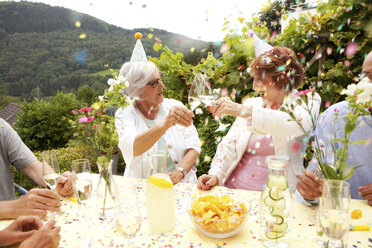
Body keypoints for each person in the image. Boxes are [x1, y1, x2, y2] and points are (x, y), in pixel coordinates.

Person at [197, 46, 321, 192]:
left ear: (281, 79)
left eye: (259, 79)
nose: (255, 86)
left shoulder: (308, 101)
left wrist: (241, 110)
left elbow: (295, 124)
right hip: (233, 190)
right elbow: (229, 145)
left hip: (278, 198)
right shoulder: (252, 104)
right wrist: (215, 174)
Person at [296, 51, 372, 206]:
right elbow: (319, 174)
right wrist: (310, 189)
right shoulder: (335, 118)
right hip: (345, 221)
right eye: (368, 76)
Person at [115, 61, 201, 184]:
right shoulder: (124, 114)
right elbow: (133, 148)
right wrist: (165, 123)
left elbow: (194, 146)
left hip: (182, 186)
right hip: (144, 188)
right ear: (137, 90)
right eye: (154, 83)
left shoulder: (175, 105)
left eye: (160, 79)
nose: (162, 85)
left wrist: (180, 172)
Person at [0, 118, 74, 219]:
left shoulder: (2, 127)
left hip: (12, 223)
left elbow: (33, 167)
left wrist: (59, 182)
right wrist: (14, 207)